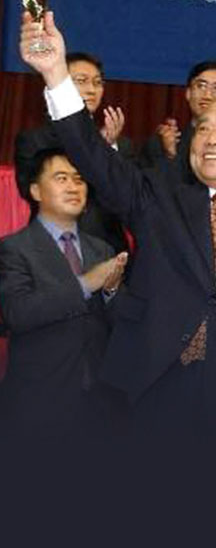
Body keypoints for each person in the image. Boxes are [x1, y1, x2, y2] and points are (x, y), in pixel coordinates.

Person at [18, 9, 216, 444]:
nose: (212, 138)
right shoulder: (159, 198)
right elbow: (93, 155)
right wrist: (55, 74)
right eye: (203, 129)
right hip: (154, 393)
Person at [0, 148, 127, 430]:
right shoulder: (14, 248)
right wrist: (86, 283)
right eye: (61, 178)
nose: (73, 187)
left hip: (100, 403)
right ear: (36, 191)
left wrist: (111, 292)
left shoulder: (102, 249)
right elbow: (17, 314)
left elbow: (121, 324)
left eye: (79, 179)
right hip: (38, 401)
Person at [14, 50, 133, 254]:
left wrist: (107, 151)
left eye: (97, 83)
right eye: (81, 81)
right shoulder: (34, 140)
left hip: (107, 250)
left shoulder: (121, 145)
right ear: (59, 85)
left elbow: (128, 199)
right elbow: (29, 191)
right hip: (51, 249)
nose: (91, 90)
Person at [140, 58, 216, 182]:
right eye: (201, 86)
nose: (207, 95)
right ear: (188, 93)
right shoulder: (161, 144)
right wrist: (171, 155)